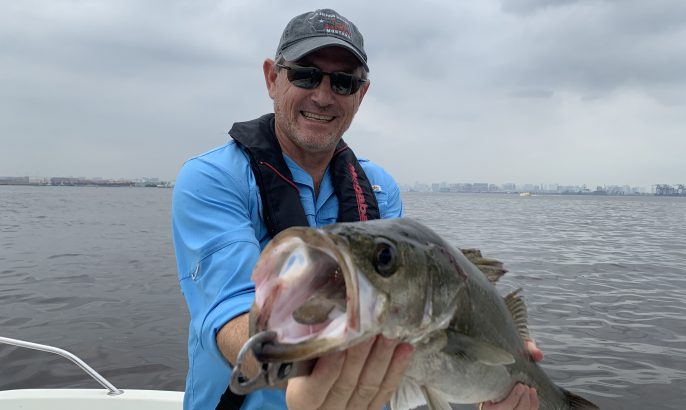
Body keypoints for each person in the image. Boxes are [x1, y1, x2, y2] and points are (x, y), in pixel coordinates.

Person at [172, 8, 542, 410]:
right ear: (271, 78)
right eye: (305, 74)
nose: (323, 95)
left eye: (344, 82)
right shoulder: (211, 178)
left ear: (361, 95)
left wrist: (491, 381)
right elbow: (227, 317)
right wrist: (302, 366)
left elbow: (413, 336)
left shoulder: (380, 189)